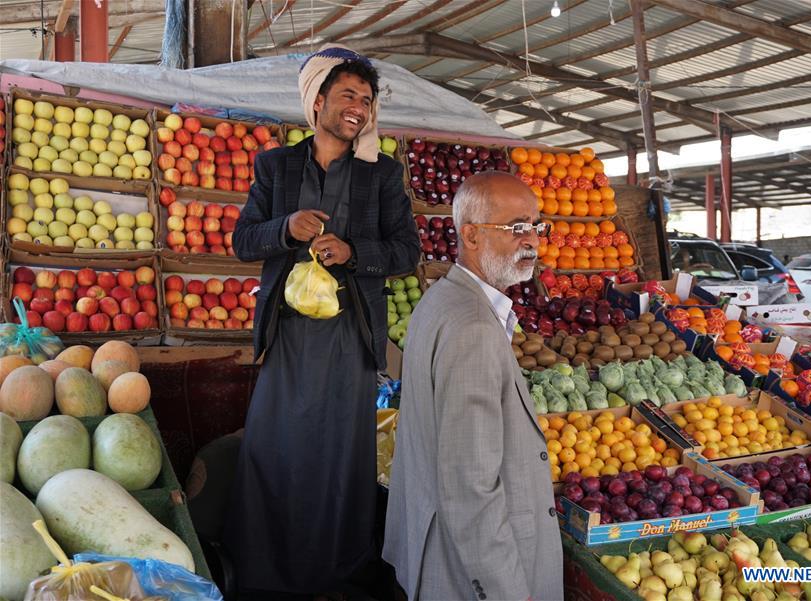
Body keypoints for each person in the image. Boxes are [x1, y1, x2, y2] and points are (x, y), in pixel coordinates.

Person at [224, 45, 420, 599]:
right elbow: (243, 241)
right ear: (317, 102)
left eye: (366, 97)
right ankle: (266, 569)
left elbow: (407, 251)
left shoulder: (382, 175)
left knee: (339, 455)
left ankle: (334, 569)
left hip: (349, 338)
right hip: (288, 334)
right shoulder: (277, 166)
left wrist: (353, 252)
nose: (358, 106)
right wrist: (286, 227)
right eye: (347, 95)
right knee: (276, 445)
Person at [383, 171, 564, 601]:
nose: (533, 240)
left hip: (440, 550)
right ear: (471, 235)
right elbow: (471, 484)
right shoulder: (474, 329)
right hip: (464, 573)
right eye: (517, 227)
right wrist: (507, 592)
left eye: (536, 226)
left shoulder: (442, 298)